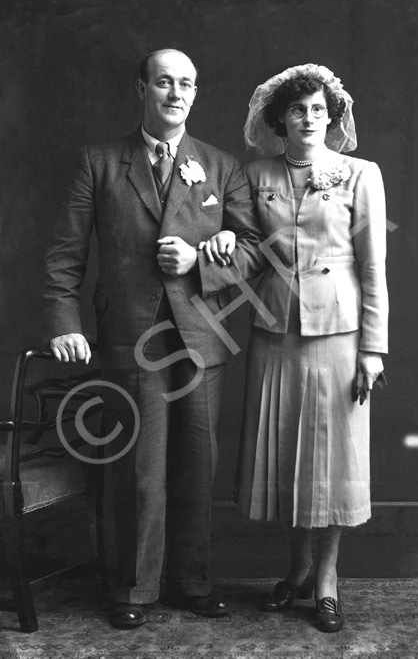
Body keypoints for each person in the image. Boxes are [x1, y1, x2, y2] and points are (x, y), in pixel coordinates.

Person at [43, 48, 264, 628]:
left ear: (196, 92)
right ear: (141, 88)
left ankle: (192, 581)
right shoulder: (100, 161)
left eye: (186, 83)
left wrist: (199, 262)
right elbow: (66, 255)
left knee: (197, 461)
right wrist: (66, 326)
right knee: (138, 467)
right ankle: (133, 588)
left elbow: (254, 252)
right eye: (163, 82)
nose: (175, 93)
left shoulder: (221, 167)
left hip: (200, 337)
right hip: (130, 334)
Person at [201, 63, 388, 632]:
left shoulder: (360, 173)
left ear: (332, 118)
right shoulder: (256, 174)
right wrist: (226, 240)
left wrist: (373, 349)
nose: (309, 118)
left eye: (318, 110)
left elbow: (374, 265)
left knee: (332, 462)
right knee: (289, 457)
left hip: (339, 334)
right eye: (298, 109)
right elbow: (254, 252)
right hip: (276, 332)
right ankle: (297, 569)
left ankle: (327, 579)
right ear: (279, 119)